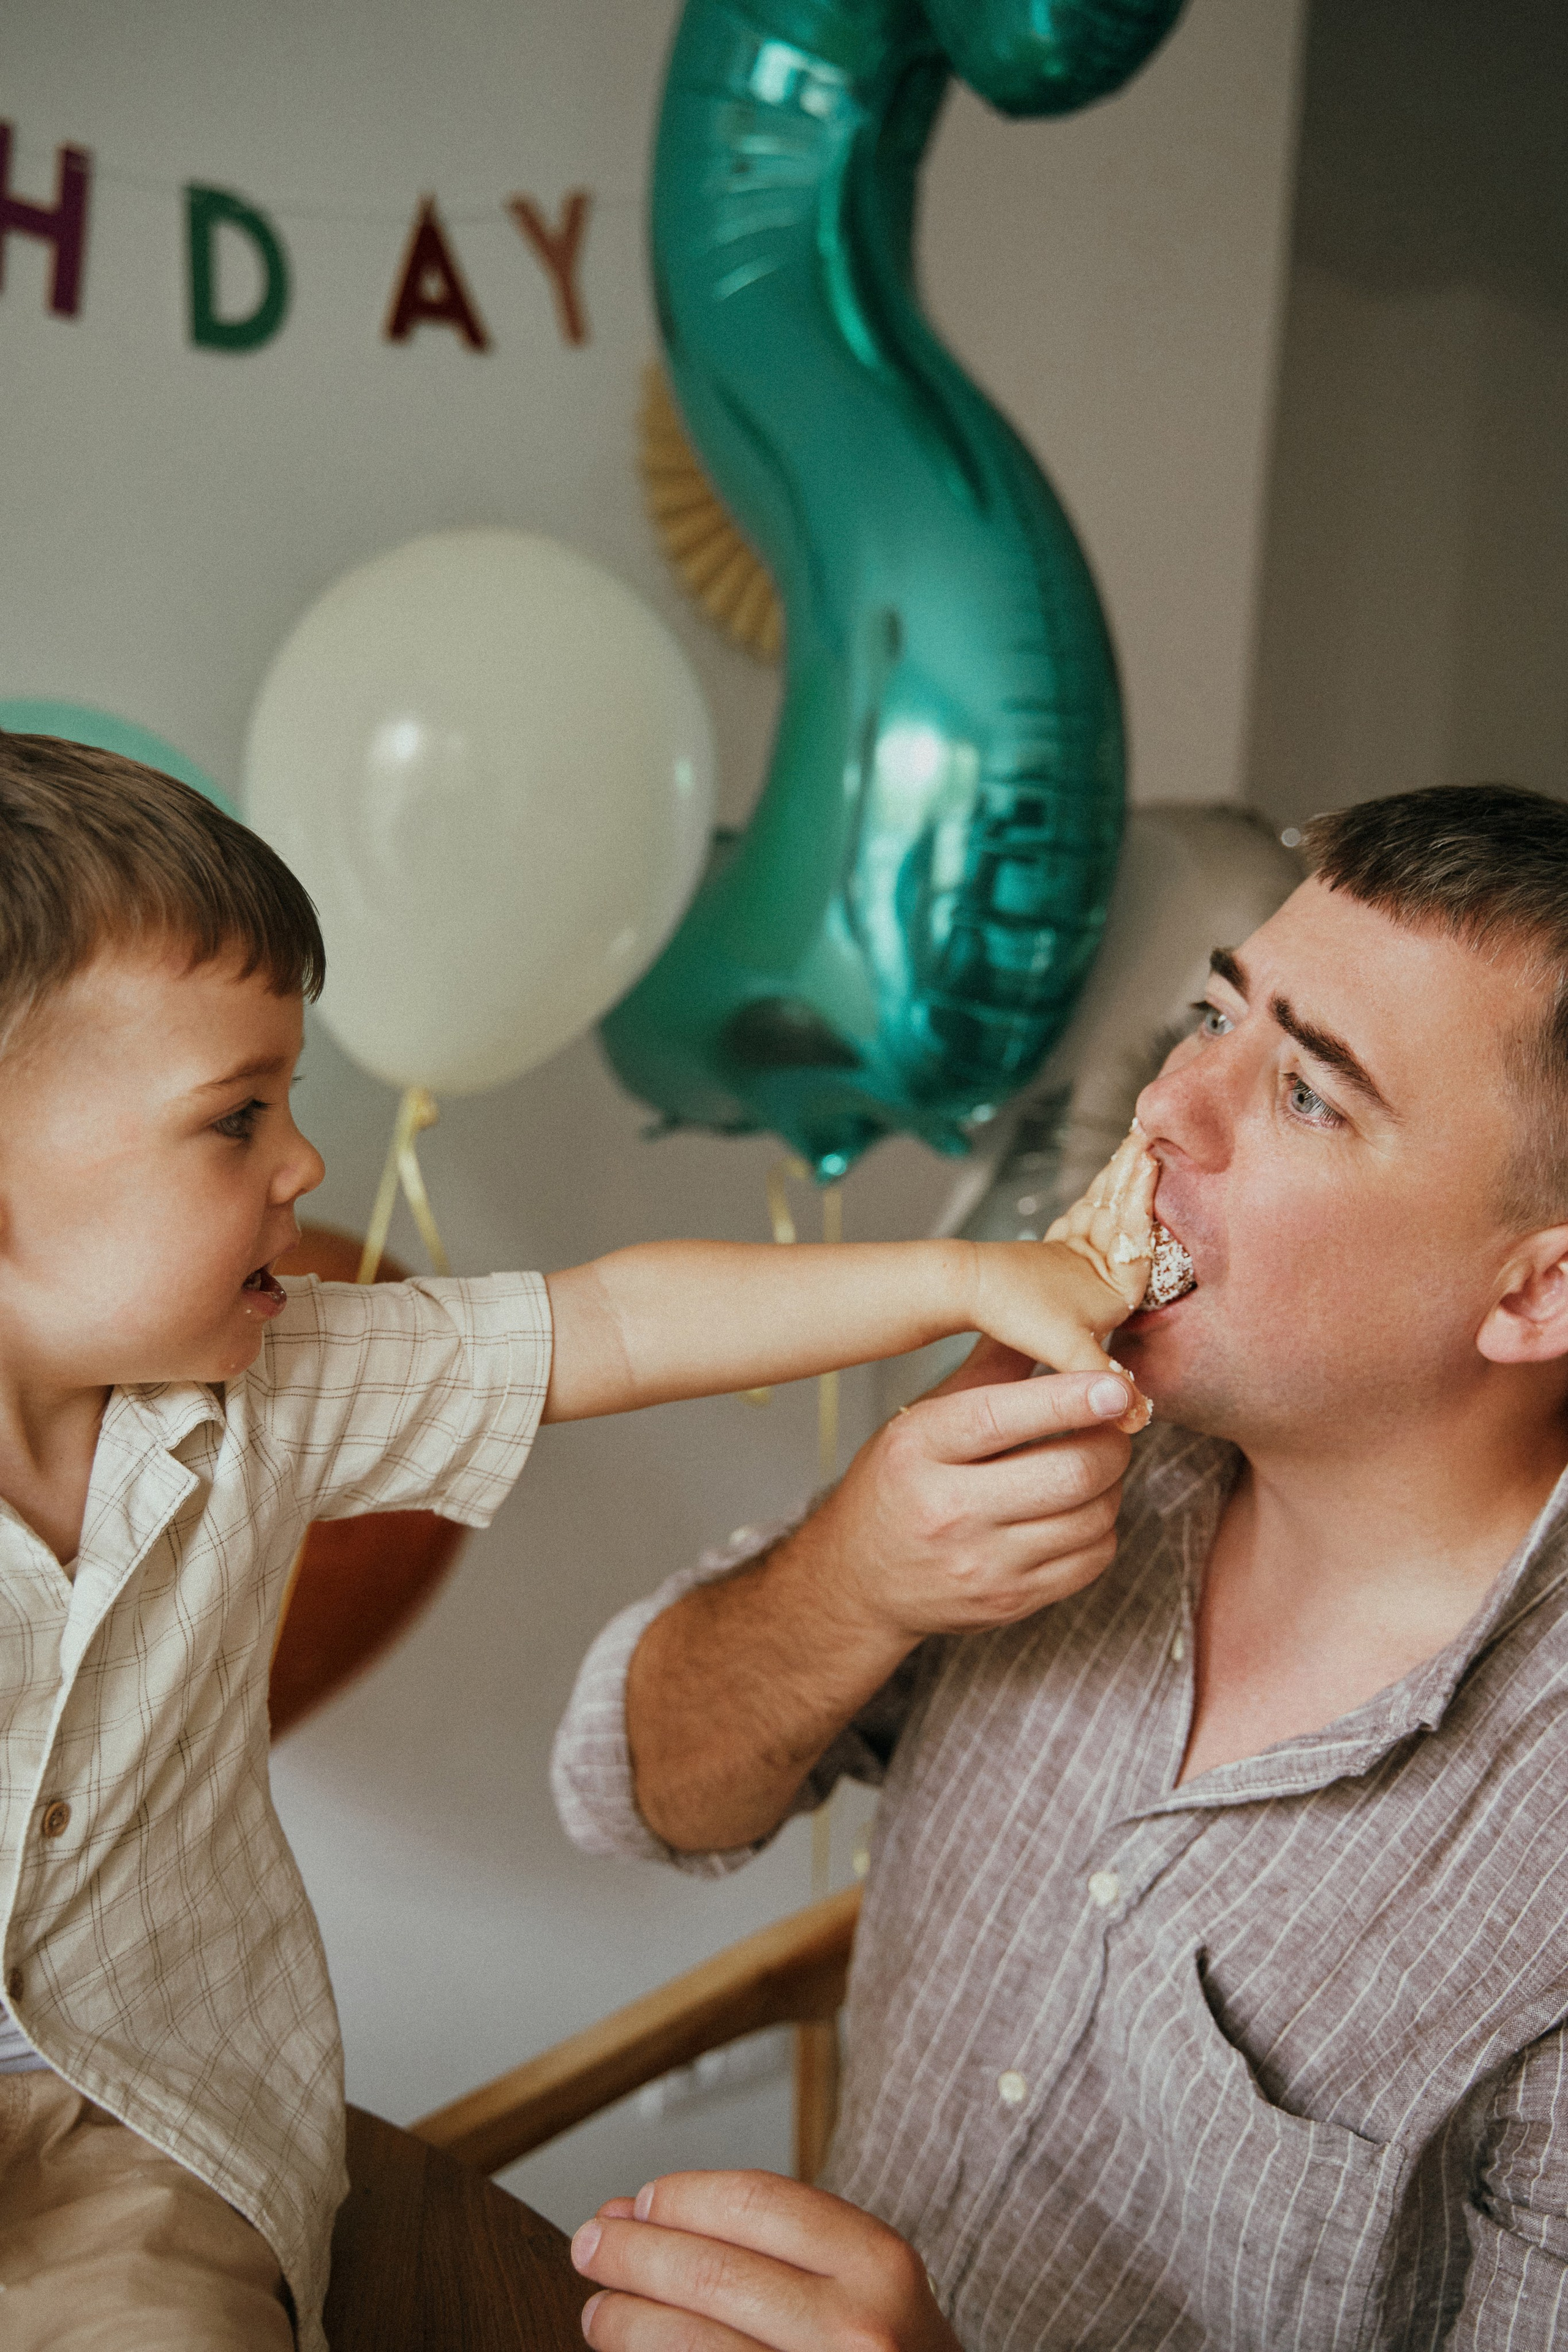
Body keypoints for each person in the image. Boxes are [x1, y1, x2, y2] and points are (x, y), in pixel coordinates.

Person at [0, 730, 1161, 2352]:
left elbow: (609, 1319)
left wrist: (960, 1279)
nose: (305, 1164)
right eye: (234, 1118)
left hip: (141, 2117)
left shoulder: (288, 1380)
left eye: (295, 1098)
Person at [554, 782, 1568, 2351]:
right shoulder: (1072, 1420)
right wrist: (858, 1578)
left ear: (1536, 1292)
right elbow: (643, 1791)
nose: (1166, 1109)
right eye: (1208, 1013)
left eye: (1305, 1094)